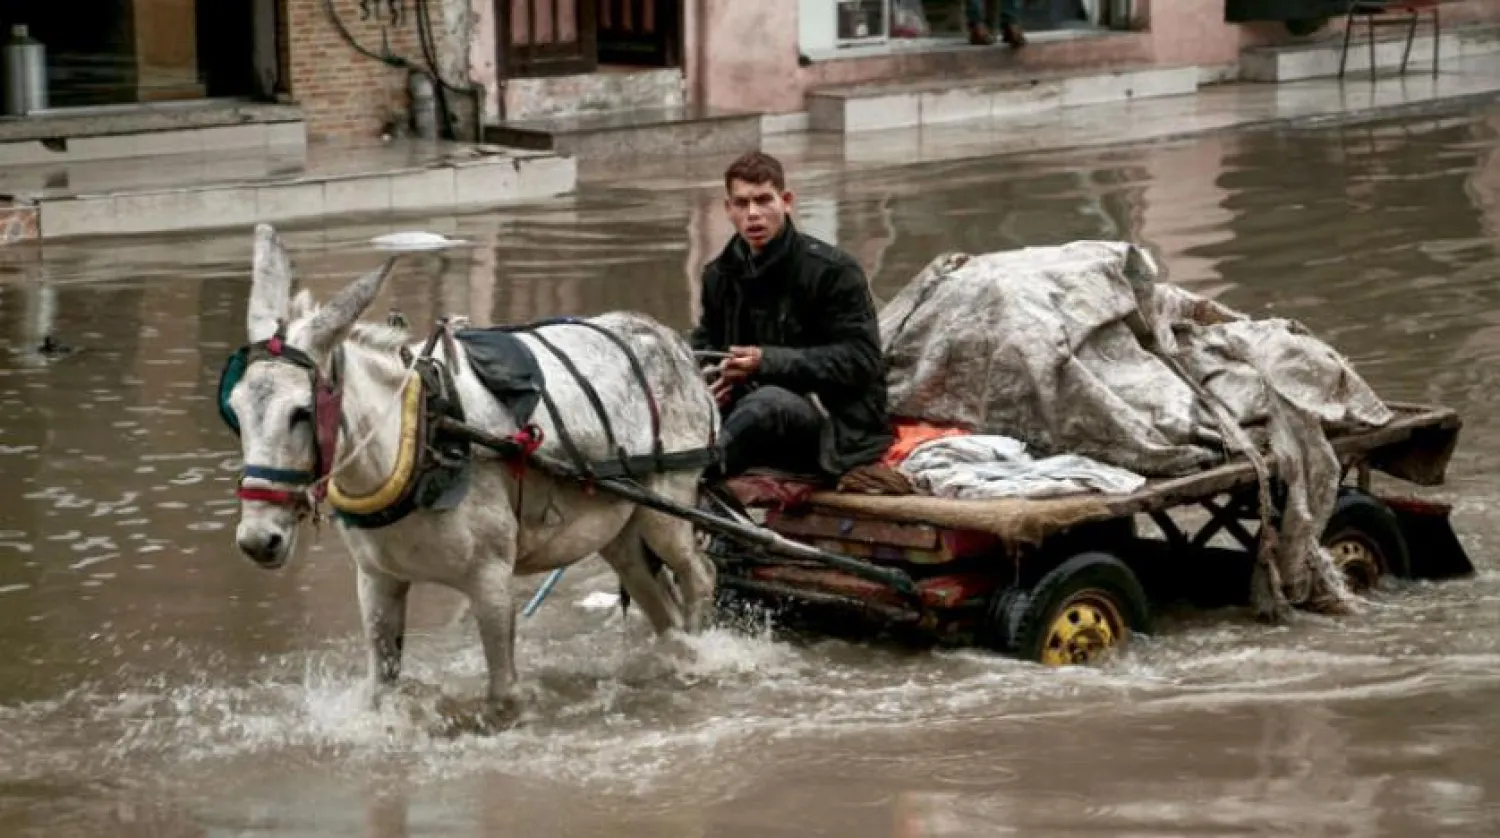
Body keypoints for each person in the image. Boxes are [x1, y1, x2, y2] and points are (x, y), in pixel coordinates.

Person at [690, 151, 893, 483]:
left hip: (833, 425)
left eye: (763, 200)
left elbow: (862, 360)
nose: (753, 214)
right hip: (747, 407)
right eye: (741, 204)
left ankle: (696, 473)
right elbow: (707, 340)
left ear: (786, 201)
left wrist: (767, 361)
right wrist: (709, 377)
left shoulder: (834, 272)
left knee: (766, 403)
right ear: (728, 210)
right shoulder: (719, 275)